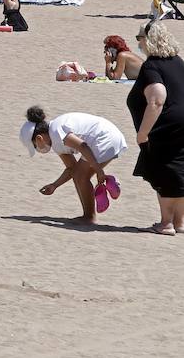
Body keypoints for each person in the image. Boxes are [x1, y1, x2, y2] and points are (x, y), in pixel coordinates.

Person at [126, 19, 184, 234]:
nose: (138, 44)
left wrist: (143, 132)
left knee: (163, 169)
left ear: (148, 40)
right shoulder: (177, 61)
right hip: (181, 124)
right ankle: (180, 222)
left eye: (139, 39)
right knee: (179, 168)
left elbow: (157, 98)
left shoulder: (152, 65)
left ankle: (166, 223)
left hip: (165, 126)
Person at [21, 106, 126, 225]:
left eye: (35, 146)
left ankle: (89, 217)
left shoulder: (56, 132)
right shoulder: (55, 142)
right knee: (79, 174)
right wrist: (54, 185)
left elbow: (83, 146)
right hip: (108, 138)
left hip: (105, 138)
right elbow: (71, 168)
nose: (38, 149)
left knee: (80, 176)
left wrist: (98, 170)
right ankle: (90, 211)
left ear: (39, 139)